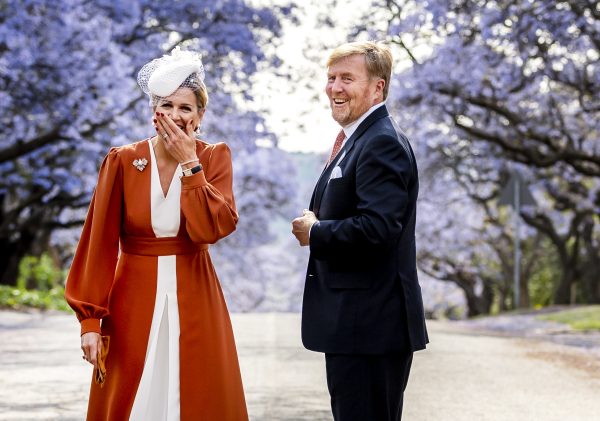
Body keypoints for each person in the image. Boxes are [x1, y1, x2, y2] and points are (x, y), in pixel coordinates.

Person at [65, 48, 248, 420]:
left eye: (186, 108)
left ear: (200, 116)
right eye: (168, 106)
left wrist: (189, 164)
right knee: (129, 392)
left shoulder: (214, 157)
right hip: (132, 294)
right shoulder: (121, 160)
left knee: (198, 392)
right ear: (154, 112)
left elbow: (211, 229)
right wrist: (89, 321)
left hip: (196, 291)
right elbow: (97, 242)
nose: (177, 116)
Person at [291, 41, 429, 421]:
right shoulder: (360, 139)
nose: (334, 88)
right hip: (357, 326)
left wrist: (316, 232)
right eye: (331, 78)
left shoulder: (381, 142)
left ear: (377, 88)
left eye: (347, 78)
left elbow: (379, 228)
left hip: (370, 326)